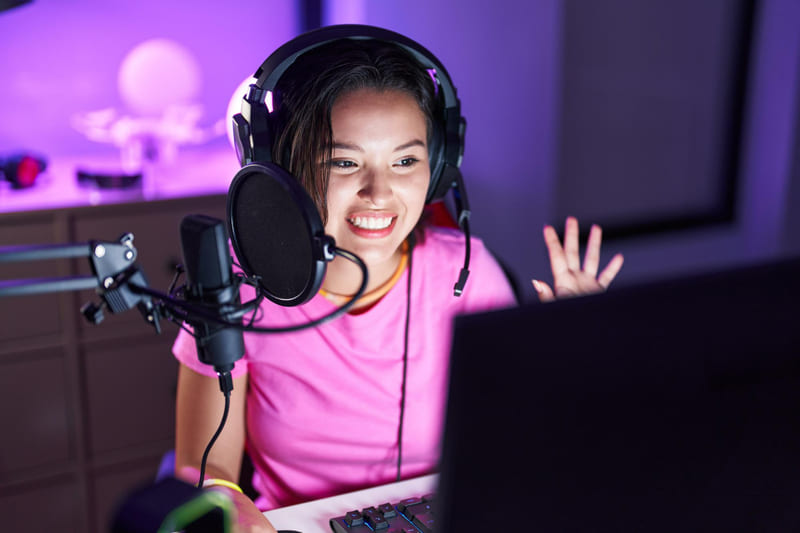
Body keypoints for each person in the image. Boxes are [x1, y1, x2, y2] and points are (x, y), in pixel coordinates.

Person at [172, 25, 623, 533]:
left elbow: (523, 436)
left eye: (406, 160)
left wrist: (578, 350)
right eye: (344, 161)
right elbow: (204, 467)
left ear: (438, 169)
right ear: (280, 171)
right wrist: (227, 503)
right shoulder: (234, 288)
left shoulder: (464, 274)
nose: (378, 193)